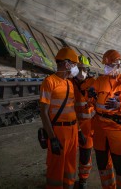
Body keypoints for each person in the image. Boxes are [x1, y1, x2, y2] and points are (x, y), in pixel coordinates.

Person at [89, 49, 121, 189]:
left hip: (117, 129)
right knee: (103, 165)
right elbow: (91, 102)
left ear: (118, 65)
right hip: (99, 129)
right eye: (106, 65)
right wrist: (89, 96)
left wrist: (120, 105)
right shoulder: (99, 81)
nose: (106, 68)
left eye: (109, 65)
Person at [39, 47, 79, 189]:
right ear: (66, 64)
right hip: (58, 132)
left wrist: (78, 130)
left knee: (70, 165)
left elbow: (71, 108)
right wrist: (52, 137)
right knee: (56, 168)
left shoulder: (69, 83)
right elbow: (43, 112)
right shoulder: (49, 82)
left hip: (72, 131)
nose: (75, 68)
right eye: (74, 64)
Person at [71, 55, 96, 189]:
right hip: (71, 126)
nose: (81, 72)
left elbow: (98, 105)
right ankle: (68, 181)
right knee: (69, 155)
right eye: (78, 68)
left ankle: (82, 182)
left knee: (85, 156)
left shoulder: (93, 83)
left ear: (88, 69)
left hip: (88, 127)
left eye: (84, 69)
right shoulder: (69, 83)